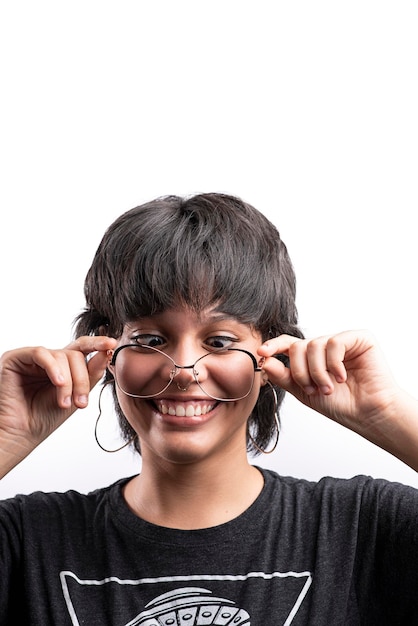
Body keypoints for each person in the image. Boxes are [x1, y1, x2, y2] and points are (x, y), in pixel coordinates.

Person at [0, 193, 417, 624]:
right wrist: (5, 437)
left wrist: (387, 412)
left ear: (271, 353)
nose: (183, 371)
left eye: (219, 342)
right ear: (106, 352)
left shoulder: (358, 530)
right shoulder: (27, 540)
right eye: (150, 340)